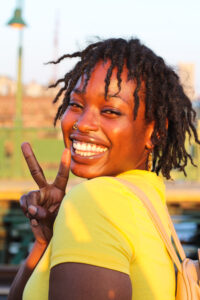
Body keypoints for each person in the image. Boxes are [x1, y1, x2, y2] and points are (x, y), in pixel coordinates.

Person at [8, 38, 200, 300]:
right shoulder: (147, 201)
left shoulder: (96, 201)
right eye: (75, 105)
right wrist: (46, 240)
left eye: (110, 111)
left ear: (155, 132)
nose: (83, 124)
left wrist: (81, 210)